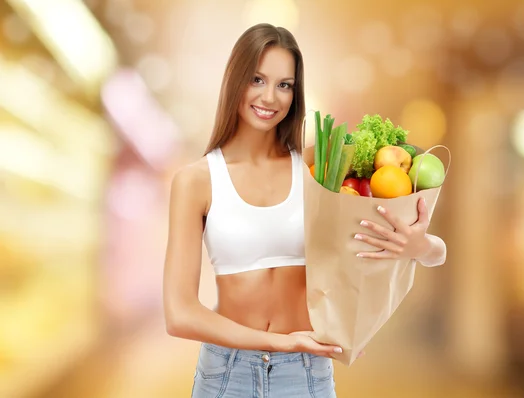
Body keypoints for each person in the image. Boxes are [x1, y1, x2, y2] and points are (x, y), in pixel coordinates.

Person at [163, 23, 447, 398]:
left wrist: (418, 246)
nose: (270, 96)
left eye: (284, 85)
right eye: (257, 79)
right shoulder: (196, 180)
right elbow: (179, 313)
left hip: (305, 375)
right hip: (225, 374)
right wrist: (281, 342)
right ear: (234, 80)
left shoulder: (317, 171)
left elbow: (435, 252)